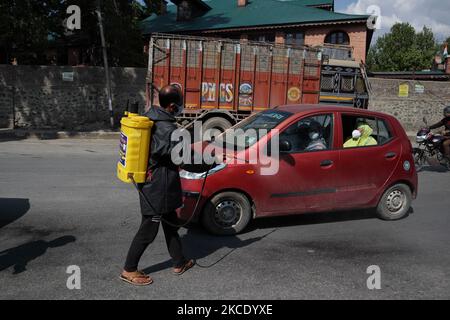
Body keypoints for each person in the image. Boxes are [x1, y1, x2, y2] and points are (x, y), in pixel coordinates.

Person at [120, 85, 197, 286]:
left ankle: (179, 262)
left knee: (170, 223)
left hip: (158, 183)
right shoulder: (166, 128)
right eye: (179, 104)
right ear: (172, 106)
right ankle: (129, 269)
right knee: (148, 230)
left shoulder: (152, 117)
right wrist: (209, 161)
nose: (180, 107)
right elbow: (182, 157)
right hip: (158, 188)